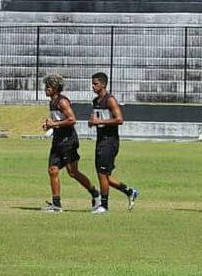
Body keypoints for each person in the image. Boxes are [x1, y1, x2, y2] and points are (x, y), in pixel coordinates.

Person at [42, 74, 100, 213]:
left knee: (73, 172)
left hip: (68, 141)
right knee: (52, 170)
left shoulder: (62, 102)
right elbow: (57, 121)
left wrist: (54, 124)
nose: (45, 89)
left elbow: (72, 119)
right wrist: (51, 127)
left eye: (48, 86)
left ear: (55, 88)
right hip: (58, 140)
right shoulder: (52, 101)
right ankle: (56, 205)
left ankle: (95, 194)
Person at [89, 72, 139, 214]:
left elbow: (119, 119)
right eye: (92, 83)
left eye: (95, 84)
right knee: (104, 175)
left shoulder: (110, 100)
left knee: (102, 174)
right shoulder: (95, 101)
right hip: (100, 140)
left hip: (109, 141)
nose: (93, 86)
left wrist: (100, 122)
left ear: (103, 84)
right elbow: (98, 119)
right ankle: (130, 191)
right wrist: (93, 122)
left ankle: (104, 206)